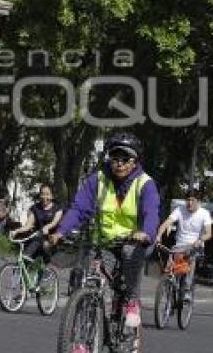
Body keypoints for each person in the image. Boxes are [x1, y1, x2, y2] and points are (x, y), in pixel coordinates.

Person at [50, 132, 160, 329]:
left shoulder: (145, 184)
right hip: (104, 242)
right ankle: (84, 338)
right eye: (115, 158)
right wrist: (61, 231)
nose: (119, 163)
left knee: (128, 255)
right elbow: (79, 208)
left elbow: (151, 212)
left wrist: (146, 232)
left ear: (134, 162)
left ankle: (132, 300)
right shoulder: (98, 180)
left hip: (135, 242)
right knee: (92, 284)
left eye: (125, 159)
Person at [155, 191, 212, 294]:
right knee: (170, 265)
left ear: (198, 202)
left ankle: (187, 288)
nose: (189, 203)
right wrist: (158, 235)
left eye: (192, 200)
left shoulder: (204, 214)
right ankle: (168, 285)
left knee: (191, 260)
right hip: (179, 246)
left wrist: (200, 240)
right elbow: (166, 223)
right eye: (188, 200)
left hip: (195, 245)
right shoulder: (179, 210)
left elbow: (208, 233)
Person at [10, 184, 63, 262]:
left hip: (52, 239)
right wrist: (16, 231)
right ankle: (21, 270)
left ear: (52, 196)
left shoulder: (57, 209)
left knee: (45, 245)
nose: (44, 197)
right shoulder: (35, 208)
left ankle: (45, 264)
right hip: (37, 238)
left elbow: (54, 222)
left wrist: (47, 227)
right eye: (42, 194)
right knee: (25, 257)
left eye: (47, 194)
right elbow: (28, 225)